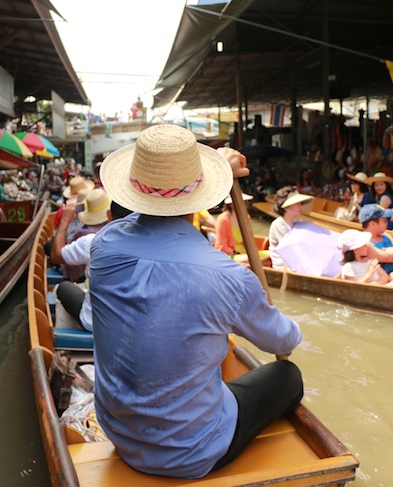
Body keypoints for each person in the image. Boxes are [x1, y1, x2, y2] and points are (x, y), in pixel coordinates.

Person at [90, 124, 303, 479]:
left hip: (121, 435)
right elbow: (284, 341)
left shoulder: (104, 247)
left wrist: (218, 164)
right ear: (205, 198)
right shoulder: (226, 276)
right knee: (287, 375)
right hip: (192, 452)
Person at [50, 198, 131, 331]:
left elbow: (55, 255)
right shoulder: (150, 247)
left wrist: (64, 221)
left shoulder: (92, 241)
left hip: (94, 322)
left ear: (109, 215)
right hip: (129, 325)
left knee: (63, 287)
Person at [268, 186, 313, 270]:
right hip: (283, 269)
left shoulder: (298, 223)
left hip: (298, 266)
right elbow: (291, 250)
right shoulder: (278, 225)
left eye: (300, 204)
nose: (300, 207)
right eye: (296, 204)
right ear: (286, 208)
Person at [359, 204, 393, 273]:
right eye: (384, 220)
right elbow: (386, 257)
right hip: (389, 276)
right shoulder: (365, 244)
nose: (387, 222)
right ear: (373, 224)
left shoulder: (384, 234)